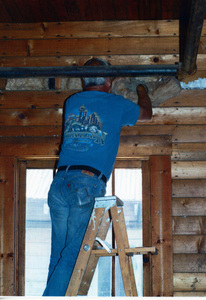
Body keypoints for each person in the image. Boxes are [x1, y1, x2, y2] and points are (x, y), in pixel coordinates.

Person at [43, 58, 152, 296]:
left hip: (59, 183)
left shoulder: (72, 101)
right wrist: (143, 91)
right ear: (108, 81)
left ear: (84, 80)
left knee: (59, 254)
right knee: (71, 256)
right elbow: (146, 114)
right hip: (86, 183)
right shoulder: (115, 103)